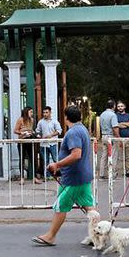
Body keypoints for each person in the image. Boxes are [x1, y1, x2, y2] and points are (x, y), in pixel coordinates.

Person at [32, 105, 95, 246]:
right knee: (89, 207)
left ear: (66, 117)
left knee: (61, 206)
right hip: (80, 175)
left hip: (74, 178)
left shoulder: (73, 132)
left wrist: (57, 165)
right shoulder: (82, 129)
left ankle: (50, 236)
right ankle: (99, 234)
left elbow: (76, 154)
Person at [14, 106, 41, 184]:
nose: (32, 113)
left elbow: (31, 129)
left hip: (30, 141)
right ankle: (22, 178)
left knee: (33, 158)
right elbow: (15, 130)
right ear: (26, 112)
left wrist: (32, 133)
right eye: (31, 112)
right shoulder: (20, 120)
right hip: (22, 141)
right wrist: (22, 133)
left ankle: (34, 177)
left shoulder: (31, 120)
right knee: (21, 158)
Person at [36, 106, 62, 180]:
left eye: (46, 112)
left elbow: (59, 131)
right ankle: (47, 176)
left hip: (53, 143)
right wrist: (38, 136)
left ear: (50, 112)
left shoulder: (54, 121)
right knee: (45, 161)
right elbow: (38, 131)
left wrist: (51, 135)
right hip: (43, 144)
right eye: (44, 112)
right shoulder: (40, 122)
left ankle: (59, 175)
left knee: (56, 159)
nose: (45, 114)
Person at [97, 99, 118, 179]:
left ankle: (102, 173)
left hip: (104, 136)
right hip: (111, 136)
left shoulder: (102, 114)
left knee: (104, 155)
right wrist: (118, 137)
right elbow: (115, 128)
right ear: (114, 106)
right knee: (113, 155)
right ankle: (113, 174)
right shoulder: (113, 115)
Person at [115, 101, 129, 177]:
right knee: (119, 156)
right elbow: (116, 125)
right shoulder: (115, 115)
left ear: (124, 107)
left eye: (121, 106)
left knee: (128, 156)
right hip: (119, 138)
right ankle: (117, 171)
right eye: (118, 106)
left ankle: (128, 171)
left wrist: (122, 124)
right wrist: (126, 124)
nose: (120, 107)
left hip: (128, 138)